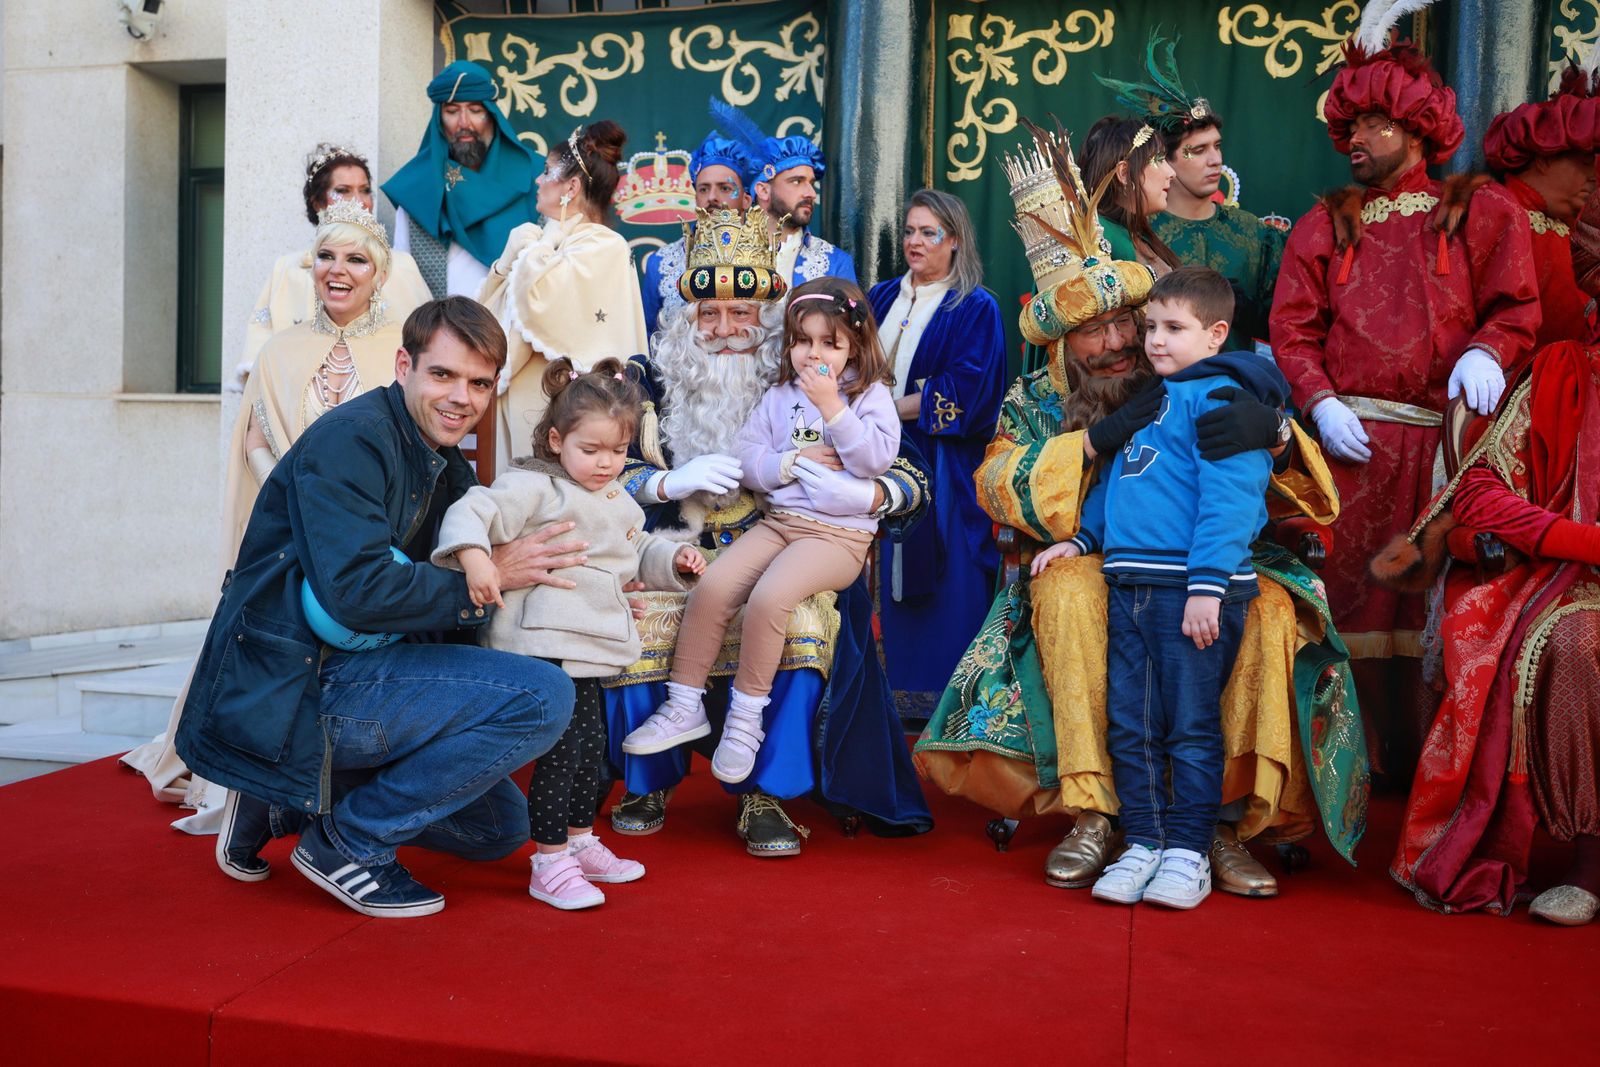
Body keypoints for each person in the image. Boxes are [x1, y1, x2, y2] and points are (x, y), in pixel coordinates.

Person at [916, 119, 1368, 896]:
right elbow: (997, 483)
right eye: (1095, 333)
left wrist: (1280, 434)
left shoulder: (1188, 381)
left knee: (1261, 611)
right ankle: (1094, 809)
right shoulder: (1034, 397)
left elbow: (1294, 496)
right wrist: (1089, 448)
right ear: (1061, 345)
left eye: (1130, 321)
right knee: (1062, 590)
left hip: (1205, 561)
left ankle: (1221, 821)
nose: (1120, 342)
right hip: (1098, 561)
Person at [176, 297, 578, 918]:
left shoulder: (442, 464)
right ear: (403, 365)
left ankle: (282, 798)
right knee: (542, 697)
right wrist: (492, 574)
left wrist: (594, 589)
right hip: (296, 686)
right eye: (442, 374)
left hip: (358, 674)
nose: (460, 397)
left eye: (478, 383)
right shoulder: (351, 442)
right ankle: (348, 843)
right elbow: (356, 592)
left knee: (497, 828)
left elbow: (484, 571)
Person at [605, 205, 932, 854]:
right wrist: (665, 482)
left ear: (768, 318)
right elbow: (599, 469)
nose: (725, 330)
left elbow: (907, 475)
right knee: (638, 614)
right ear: (685, 317)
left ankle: (765, 790)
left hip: (798, 542)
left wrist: (863, 492)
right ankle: (649, 781)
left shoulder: (807, 379)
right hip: (669, 548)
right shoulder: (647, 380)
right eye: (709, 314)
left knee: (802, 620)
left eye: (742, 313)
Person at [1270, 5, 1541, 773]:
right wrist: (1318, 400)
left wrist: (1490, 349)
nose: (1354, 138)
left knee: (1431, 607)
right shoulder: (1324, 224)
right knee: (1345, 600)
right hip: (1348, 449)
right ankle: (1344, 770)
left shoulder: (1481, 208)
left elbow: (1518, 308)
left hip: (1444, 449)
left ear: (1417, 127)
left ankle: (1430, 772)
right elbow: (1294, 329)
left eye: (1373, 124)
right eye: (1347, 124)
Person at [122, 202, 411, 825]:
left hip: (372, 539)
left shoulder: (403, 351)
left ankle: (355, 793)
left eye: (355, 259)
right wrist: (298, 502)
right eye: (326, 258)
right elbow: (254, 439)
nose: (338, 271)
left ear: (380, 273)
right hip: (288, 532)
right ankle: (257, 793)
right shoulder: (281, 350)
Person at [1038, 267, 1287, 910]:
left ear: (1216, 334)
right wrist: (1085, 540)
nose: (1148, 342)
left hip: (1190, 588)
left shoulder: (1221, 400)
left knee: (1192, 728)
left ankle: (1188, 850)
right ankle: (1142, 842)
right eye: (1149, 327)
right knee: (1134, 723)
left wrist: (1207, 584)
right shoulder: (1155, 398)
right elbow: (1123, 484)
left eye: (1170, 329)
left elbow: (1230, 500)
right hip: (1132, 583)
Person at [1378, 208, 1600, 922]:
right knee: (1571, 644)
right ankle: (1591, 861)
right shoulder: (1564, 371)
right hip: (1572, 582)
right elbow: (1476, 489)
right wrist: (1572, 539)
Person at [431, 358, 704, 910]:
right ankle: (549, 859)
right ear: (557, 440)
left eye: (618, 451)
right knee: (560, 754)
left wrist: (674, 557)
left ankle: (580, 841)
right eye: (591, 449)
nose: (606, 464)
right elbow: (473, 509)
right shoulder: (533, 486)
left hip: (591, 644)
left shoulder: (617, 499)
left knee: (589, 752)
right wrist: (475, 559)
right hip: (543, 644)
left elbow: (635, 550)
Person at [623, 278, 899, 789]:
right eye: (802, 341)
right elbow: (750, 461)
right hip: (780, 523)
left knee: (770, 598)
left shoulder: (868, 395)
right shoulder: (778, 395)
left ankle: (746, 720)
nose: (812, 355)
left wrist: (834, 408)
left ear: (854, 345)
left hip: (836, 537)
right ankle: (684, 706)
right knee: (714, 587)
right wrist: (788, 462)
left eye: (828, 344)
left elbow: (876, 459)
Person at [866, 190, 1005, 716]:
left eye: (929, 233)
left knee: (945, 576)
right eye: (909, 231)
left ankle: (943, 702)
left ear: (956, 240)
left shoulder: (974, 306)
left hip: (940, 465)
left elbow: (968, 393)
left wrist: (880, 410)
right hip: (869, 455)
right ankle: (878, 696)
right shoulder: (879, 297)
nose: (915, 242)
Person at [1097, 32, 1286, 352]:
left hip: (1237, 394)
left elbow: (1291, 327)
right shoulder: (1136, 237)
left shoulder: (1254, 233)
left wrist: (1243, 310)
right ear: (1166, 160)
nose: (1215, 160)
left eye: (1217, 146)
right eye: (1196, 151)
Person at [478, 120, 649, 468]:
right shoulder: (547, 245)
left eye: (545, 172)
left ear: (571, 186)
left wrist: (530, 253)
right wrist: (504, 264)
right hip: (517, 404)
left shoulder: (601, 245)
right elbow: (484, 319)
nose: (538, 181)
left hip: (565, 415)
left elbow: (538, 304)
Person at [234, 143, 432, 389]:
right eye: (344, 190)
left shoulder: (401, 266)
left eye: (365, 190)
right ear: (318, 202)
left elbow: (427, 346)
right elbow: (260, 353)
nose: (359, 201)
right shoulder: (287, 268)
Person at [384, 61, 539, 299]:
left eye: (475, 110)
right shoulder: (417, 191)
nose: (464, 123)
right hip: (435, 330)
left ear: (492, 115)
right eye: (452, 111)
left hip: (514, 330)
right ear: (439, 119)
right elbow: (402, 283)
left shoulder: (536, 179)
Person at [1483, 59, 1600, 366]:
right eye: (1585, 162)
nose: (1593, 176)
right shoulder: (1499, 212)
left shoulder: (1564, 228)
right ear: (1546, 157)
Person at [712, 102, 856, 286]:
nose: (811, 193)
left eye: (811, 183)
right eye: (796, 181)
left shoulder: (835, 264)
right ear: (763, 190)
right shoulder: (720, 253)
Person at [640, 118, 757, 336]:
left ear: (746, 199)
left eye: (724, 188)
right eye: (703, 189)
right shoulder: (661, 264)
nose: (712, 197)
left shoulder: (770, 256)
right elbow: (647, 341)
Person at [1080, 115, 1179, 277]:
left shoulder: (1135, 233)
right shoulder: (1095, 237)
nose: (1172, 173)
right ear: (1124, 173)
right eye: (1158, 159)